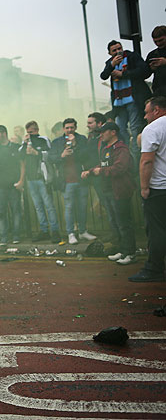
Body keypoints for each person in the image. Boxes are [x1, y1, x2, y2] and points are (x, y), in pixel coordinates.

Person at [82, 122, 136, 264]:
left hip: (119, 191)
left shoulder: (121, 148)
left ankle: (130, 253)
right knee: (117, 223)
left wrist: (101, 171)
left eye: (104, 131)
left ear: (113, 132)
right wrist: (91, 171)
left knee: (124, 224)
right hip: (108, 190)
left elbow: (120, 168)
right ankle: (122, 250)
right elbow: (103, 164)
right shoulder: (106, 149)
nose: (101, 134)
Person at [130, 96, 166, 282]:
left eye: (146, 112)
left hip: (159, 188)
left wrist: (144, 188)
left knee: (157, 230)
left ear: (157, 110)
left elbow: (147, 161)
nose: (144, 117)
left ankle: (154, 268)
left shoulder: (153, 129)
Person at [100, 40, 152, 156]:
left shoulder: (132, 56)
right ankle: (124, 154)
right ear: (109, 53)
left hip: (133, 99)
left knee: (135, 128)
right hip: (119, 102)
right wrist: (111, 65)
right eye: (114, 50)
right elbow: (103, 76)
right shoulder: (110, 63)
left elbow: (144, 70)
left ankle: (136, 157)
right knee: (120, 130)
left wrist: (124, 74)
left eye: (119, 48)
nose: (118, 52)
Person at [50, 118, 97, 245]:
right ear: (63, 129)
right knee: (69, 208)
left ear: (75, 128)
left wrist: (75, 145)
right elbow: (51, 158)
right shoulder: (57, 142)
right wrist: (61, 155)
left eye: (72, 127)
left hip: (81, 179)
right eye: (67, 128)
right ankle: (71, 233)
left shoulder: (81, 139)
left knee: (82, 207)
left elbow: (86, 156)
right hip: (66, 180)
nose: (69, 130)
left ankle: (82, 231)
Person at [19, 121, 60, 242]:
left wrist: (36, 152)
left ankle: (55, 231)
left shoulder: (43, 139)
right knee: (38, 206)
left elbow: (50, 154)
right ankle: (44, 230)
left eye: (31, 132)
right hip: (31, 178)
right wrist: (24, 142)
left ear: (36, 130)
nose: (30, 135)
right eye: (28, 133)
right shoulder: (26, 142)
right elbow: (19, 155)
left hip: (43, 177)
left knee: (49, 205)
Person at [84, 112, 120, 245]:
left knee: (113, 207)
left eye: (90, 123)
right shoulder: (92, 138)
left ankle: (120, 237)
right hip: (97, 175)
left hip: (107, 176)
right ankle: (115, 234)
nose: (87, 126)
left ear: (99, 124)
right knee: (108, 206)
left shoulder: (107, 140)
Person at [0, 125, 25, 246]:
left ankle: (16, 236)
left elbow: (22, 165)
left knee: (16, 211)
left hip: (14, 185)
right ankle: (3, 237)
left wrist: (21, 181)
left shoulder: (16, 148)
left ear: (4, 133)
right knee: (1, 213)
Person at [146, 25, 166, 98]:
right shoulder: (152, 54)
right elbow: (145, 74)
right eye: (155, 41)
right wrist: (151, 69)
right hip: (159, 92)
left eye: (161, 40)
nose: (158, 43)